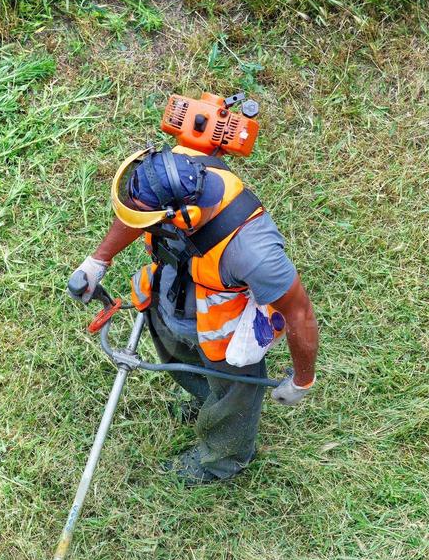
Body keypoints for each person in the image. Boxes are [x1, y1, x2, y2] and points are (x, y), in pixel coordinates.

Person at [70, 144, 319, 485]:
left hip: (224, 333)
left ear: (182, 217)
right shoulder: (178, 168)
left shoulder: (253, 251)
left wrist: (302, 379)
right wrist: (99, 260)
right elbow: (137, 212)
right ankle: (208, 399)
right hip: (172, 295)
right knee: (183, 361)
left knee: (234, 395)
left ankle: (224, 460)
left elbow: (300, 314)